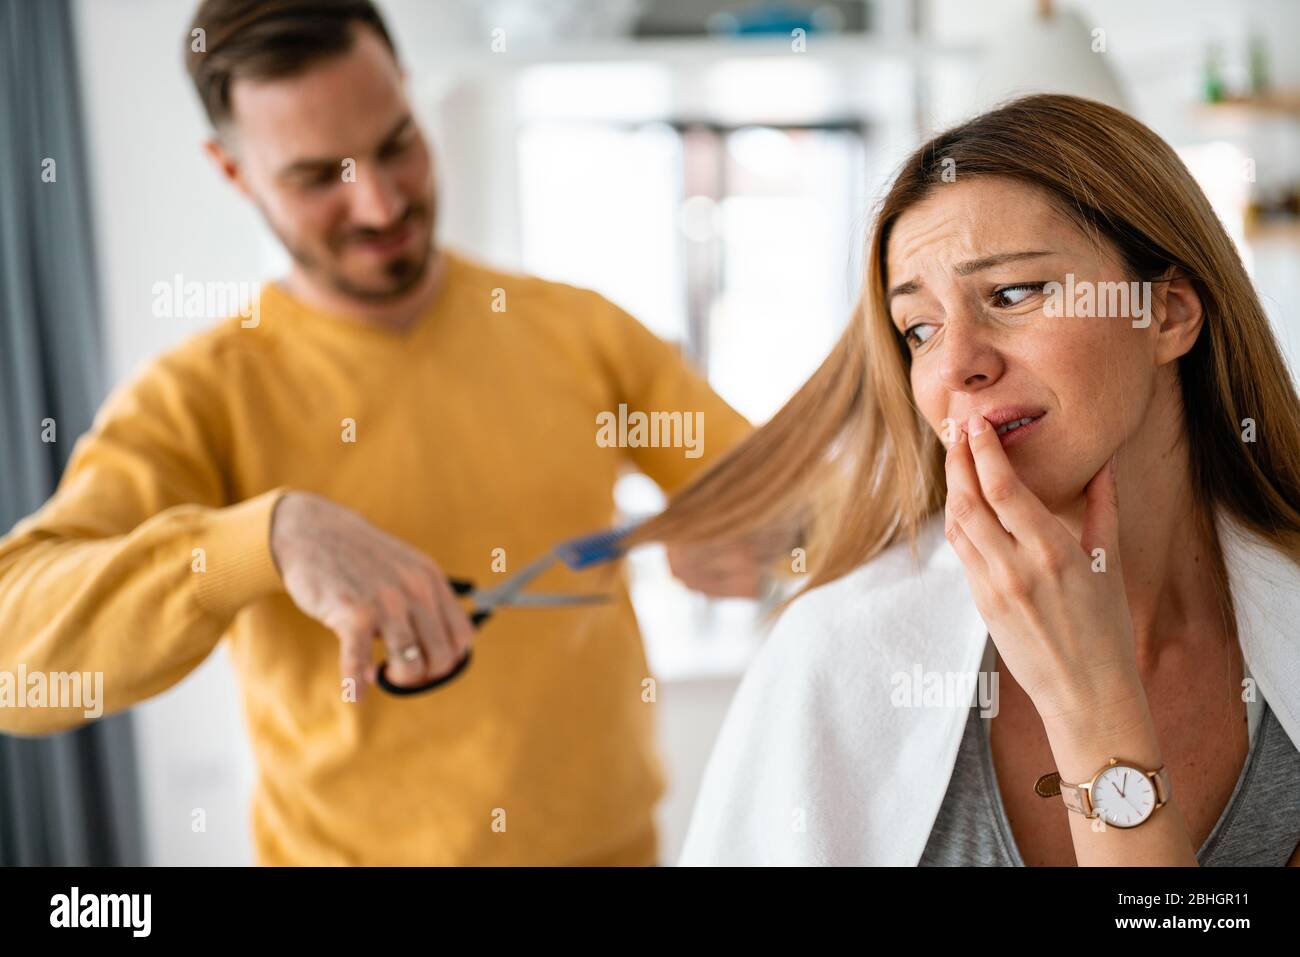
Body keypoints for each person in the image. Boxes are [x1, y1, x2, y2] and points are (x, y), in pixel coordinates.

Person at [0, 0, 767, 866]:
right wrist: (267, 536)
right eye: (318, 175)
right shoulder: (199, 395)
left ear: (408, 93)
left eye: (396, 142)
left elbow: (789, 493)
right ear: (234, 172)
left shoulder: (579, 330)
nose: (379, 201)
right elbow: (11, 657)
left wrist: (769, 541)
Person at [628, 94, 1300, 866]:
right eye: (920, 329)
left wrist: (1095, 709)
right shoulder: (833, 658)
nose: (955, 365)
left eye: (1014, 293)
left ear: (1170, 313)